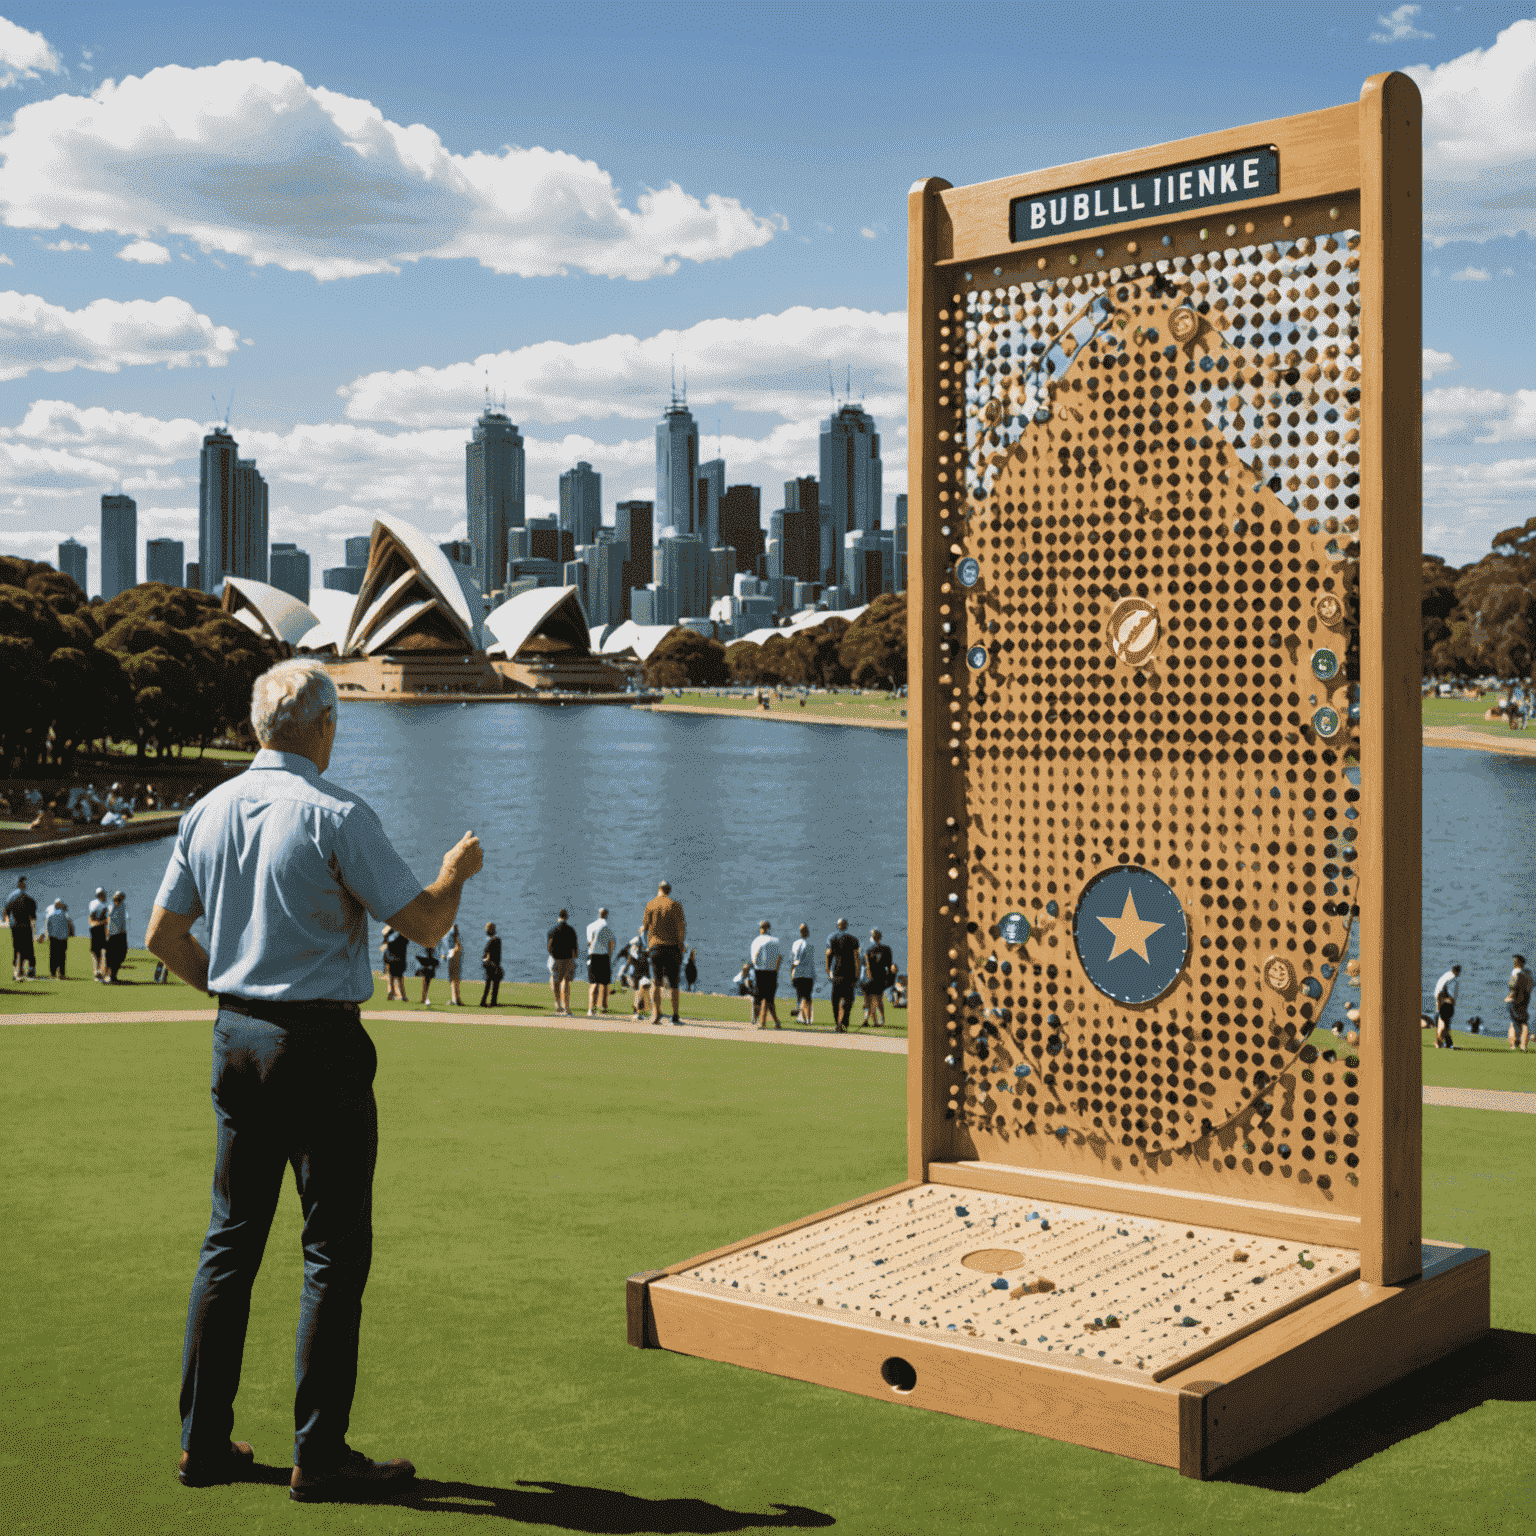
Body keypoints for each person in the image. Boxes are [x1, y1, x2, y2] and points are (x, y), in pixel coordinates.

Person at [145, 657, 482, 1500]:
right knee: (331, 1253)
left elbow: (162, 935)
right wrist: (458, 871)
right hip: (320, 1045)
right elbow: (428, 923)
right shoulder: (336, 812)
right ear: (324, 727)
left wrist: (230, 995)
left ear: (260, 728)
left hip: (237, 1035)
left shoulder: (208, 809)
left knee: (230, 1242)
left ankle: (202, 1444)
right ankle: (320, 1456)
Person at [642, 880, 686, 1026]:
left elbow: (645, 928)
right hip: (672, 947)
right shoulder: (675, 905)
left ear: (659, 889)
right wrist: (681, 945)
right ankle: (675, 1016)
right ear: (669, 890)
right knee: (674, 984)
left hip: (655, 947)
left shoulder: (651, 904)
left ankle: (656, 1013)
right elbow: (681, 929)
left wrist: (647, 945)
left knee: (656, 982)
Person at [825, 917, 861, 1033]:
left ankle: (837, 1023)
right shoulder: (853, 939)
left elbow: (828, 955)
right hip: (850, 973)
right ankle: (844, 1021)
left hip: (837, 972)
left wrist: (828, 971)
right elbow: (856, 958)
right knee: (848, 999)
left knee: (836, 999)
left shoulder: (832, 938)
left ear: (838, 925)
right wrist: (857, 974)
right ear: (846, 925)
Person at [750, 920, 783, 1029]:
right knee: (769, 999)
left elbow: (754, 958)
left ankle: (758, 1021)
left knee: (759, 998)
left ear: (761, 928)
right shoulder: (775, 940)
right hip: (772, 972)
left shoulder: (757, 941)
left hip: (760, 971)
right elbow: (779, 957)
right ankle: (773, 1022)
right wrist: (776, 970)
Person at [547, 908, 578, 1016]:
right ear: (566, 917)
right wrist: (574, 959)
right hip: (568, 959)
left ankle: (558, 1004)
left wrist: (553, 955)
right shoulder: (571, 930)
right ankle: (567, 1007)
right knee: (566, 982)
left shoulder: (553, 930)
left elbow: (549, 946)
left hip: (557, 958)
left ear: (558, 917)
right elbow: (575, 948)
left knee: (556, 981)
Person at [5, 876, 37, 981]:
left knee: (17, 948)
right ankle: (29, 969)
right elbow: (33, 917)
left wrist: (8, 923)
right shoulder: (29, 899)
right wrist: (35, 932)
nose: (25, 885)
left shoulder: (11, 897)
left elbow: (6, 912)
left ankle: (18, 970)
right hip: (25, 926)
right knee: (28, 947)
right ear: (21, 884)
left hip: (15, 926)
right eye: (23, 883)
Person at [862, 928, 894, 1028]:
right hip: (879, 977)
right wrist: (889, 978)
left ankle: (868, 1020)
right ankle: (880, 1020)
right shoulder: (886, 949)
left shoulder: (867, 948)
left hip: (869, 978)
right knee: (878, 1000)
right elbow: (889, 966)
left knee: (868, 1000)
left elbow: (864, 964)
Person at [586, 906, 615, 1016]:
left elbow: (589, 942)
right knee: (604, 983)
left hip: (593, 955)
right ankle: (603, 1007)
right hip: (603, 956)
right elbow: (611, 943)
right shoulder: (606, 926)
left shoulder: (591, 926)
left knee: (594, 983)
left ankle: (591, 1009)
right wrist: (610, 956)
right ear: (606, 914)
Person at [789, 923, 816, 1026]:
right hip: (808, 975)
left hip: (798, 974)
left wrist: (791, 972)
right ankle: (807, 1019)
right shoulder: (810, 944)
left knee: (802, 997)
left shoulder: (796, 943)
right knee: (807, 998)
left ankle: (804, 1018)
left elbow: (794, 960)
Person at [41, 898, 74, 979]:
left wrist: (45, 935)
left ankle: (53, 973)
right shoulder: (65, 915)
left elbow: (47, 925)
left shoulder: (51, 914)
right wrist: (71, 933)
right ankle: (61, 974)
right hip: (63, 938)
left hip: (54, 938)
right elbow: (71, 925)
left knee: (53, 956)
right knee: (62, 956)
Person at [1433, 963, 1461, 1049]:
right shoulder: (1452, 979)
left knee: (1444, 1022)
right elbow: (1447, 993)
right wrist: (1451, 1002)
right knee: (1444, 1023)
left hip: (1440, 1000)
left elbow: (1440, 990)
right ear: (1458, 971)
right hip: (1445, 1002)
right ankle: (1439, 1043)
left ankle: (1447, 1042)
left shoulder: (1446, 975)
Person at [1508, 954, 1532, 1052]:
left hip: (1515, 1000)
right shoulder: (1527, 974)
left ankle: (1514, 1044)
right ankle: (1523, 1045)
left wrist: (1511, 995)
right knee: (1523, 1023)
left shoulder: (1516, 972)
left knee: (1513, 1023)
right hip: (1524, 1000)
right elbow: (1530, 987)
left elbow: (1512, 984)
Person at [105, 891, 129, 984]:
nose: (120, 899)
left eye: (122, 897)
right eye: (118, 897)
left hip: (121, 934)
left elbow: (123, 919)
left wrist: (124, 931)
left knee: (121, 955)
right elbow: (109, 915)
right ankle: (109, 976)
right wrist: (115, 902)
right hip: (112, 934)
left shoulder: (123, 905)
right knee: (111, 957)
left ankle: (114, 976)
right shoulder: (111, 906)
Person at [380, 925, 409, 1001]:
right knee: (399, 978)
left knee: (392, 977)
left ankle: (393, 994)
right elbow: (406, 941)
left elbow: (385, 938)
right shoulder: (402, 934)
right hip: (399, 959)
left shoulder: (390, 935)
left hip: (392, 958)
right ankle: (403, 996)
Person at [88, 886, 110, 982]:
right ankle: (99, 972)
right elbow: (102, 919)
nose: (105, 896)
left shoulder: (92, 903)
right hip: (99, 929)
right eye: (104, 894)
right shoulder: (102, 906)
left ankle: (96, 971)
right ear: (101, 895)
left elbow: (90, 918)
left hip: (93, 929)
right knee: (102, 951)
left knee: (95, 951)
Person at [629, 936, 652, 1019]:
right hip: (636, 975)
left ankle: (640, 1011)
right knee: (638, 993)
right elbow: (631, 965)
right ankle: (638, 1012)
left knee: (642, 990)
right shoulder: (634, 953)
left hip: (644, 975)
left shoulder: (644, 952)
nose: (635, 946)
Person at [480, 922, 502, 1007]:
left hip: (489, 964)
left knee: (489, 983)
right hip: (493, 964)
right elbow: (490, 953)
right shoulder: (495, 940)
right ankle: (491, 1001)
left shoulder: (489, 940)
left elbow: (486, 953)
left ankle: (487, 1001)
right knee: (493, 983)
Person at [444, 924, 464, 1006]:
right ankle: (456, 999)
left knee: (453, 979)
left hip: (452, 955)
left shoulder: (454, 945)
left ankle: (455, 999)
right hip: (453, 956)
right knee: (455, 979)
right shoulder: (456, 945)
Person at [415, 939, 438, 1006]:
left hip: (428, 972)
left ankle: (423, 997)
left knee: (425, 984)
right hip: (428, 972)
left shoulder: (430, 960)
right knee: (426, 984)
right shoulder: (432, 960)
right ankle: (423, 997)